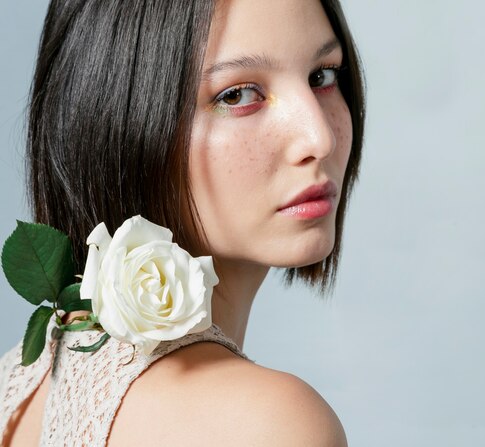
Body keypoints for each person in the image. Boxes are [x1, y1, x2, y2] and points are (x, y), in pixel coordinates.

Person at [0, 0, 365, 445]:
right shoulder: (269, 425)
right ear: (119, 120)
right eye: (238, 94)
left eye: (322, 75)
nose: (319, 137)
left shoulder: (20, 383)